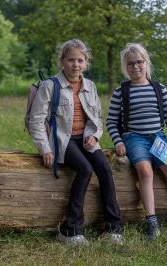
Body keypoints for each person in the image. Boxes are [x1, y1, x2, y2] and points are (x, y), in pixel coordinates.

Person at [29, 39, 122, 246]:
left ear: (86, 62)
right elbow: (36, 120)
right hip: (63, 140)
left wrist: (94, 135)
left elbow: (97, 117)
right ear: (62, 61)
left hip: (85, 138)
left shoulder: (90, 86)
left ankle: (113, 228)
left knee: (105, 169)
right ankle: (69, 230)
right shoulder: (50, 86)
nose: (76, 64)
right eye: (71, 60)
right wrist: (45, 148)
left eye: (80, 60)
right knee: (85, 169)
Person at [106, 43, 167, 240]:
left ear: (146, 63)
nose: (136, 67)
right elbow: (111, 121)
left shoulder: (159, 89)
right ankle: (152, 222)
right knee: (145, 172)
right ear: (125, 66)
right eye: (131, 64)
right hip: (134, 138)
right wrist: (118, 141)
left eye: (140, 62)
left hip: (158, 138)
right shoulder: (121, 91)